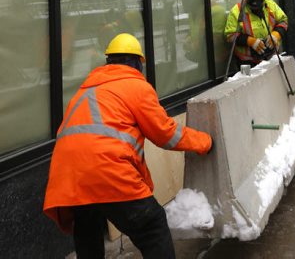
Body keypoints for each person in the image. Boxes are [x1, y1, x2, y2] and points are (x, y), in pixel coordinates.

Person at [43, 33, 212, 259]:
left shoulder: (86, 90)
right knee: (152, 227)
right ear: (136, 63)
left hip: (69, 176)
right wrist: (206, 142)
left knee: (88, 229)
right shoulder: (135, 86)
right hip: (108, 170)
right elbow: (166, 134)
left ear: (109, 61)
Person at [224, 0, 288, 68]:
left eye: (260, 6)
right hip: (248, 62)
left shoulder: (270, 5)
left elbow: (283, 20)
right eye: (254, 8)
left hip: (272, 57)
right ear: (246, 1)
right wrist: (250, 41)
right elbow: (230, 35)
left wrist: (276, 34)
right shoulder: (237, 11)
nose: (257, 10)